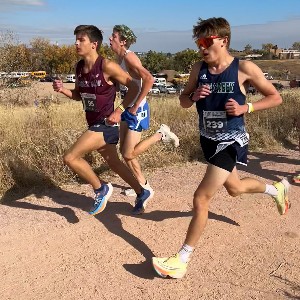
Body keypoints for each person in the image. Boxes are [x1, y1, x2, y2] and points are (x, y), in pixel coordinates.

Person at [152, 17, 290, 279]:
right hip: (208, 139)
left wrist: (245, 107)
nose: (201, 47)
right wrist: (193, 97)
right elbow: (182, 101)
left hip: (231, 141)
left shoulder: (244, 68)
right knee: (235, 189)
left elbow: (276, 97)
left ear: (223, 40)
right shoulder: (198, 69)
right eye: (198, 42)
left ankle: (181, 259)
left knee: (201, 198)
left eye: (206, 41)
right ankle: (277, 189)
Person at [52, 25, 152, 215]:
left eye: (81, 40)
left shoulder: (106, 66)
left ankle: (101, 189)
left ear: (93, 44)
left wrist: (120, 111)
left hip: (106, 125)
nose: (76, 43)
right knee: (114, 163)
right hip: (93, 122)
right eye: (76, 39)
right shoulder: (80, 67)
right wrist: (62, 90)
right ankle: (142, 192)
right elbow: (78, 95)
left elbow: (134, 88)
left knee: (70, 157)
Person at [109, 24, 179, 214]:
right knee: (125, 153)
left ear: (123, 41)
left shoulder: (129, 57)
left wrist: (136, 105)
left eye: (113, 36)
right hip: (127, 107)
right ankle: (141, 185)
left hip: (136, 110)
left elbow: (149, 79)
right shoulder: (119, 58)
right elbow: (126, 81)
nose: (110, 39)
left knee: (129, 154)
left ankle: (160, 135)